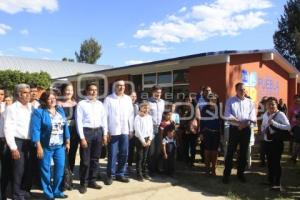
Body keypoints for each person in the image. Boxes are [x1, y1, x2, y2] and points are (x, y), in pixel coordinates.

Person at [30, 90, 70, 200]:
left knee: (60, 169)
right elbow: (36, 130)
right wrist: (38, 146)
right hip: (46, 147)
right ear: (44, 100)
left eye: (54, 98)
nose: (52, 100)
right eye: (49, 98)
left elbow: (65, 126)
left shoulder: (60, 110)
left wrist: (67, 140)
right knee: (45, 170)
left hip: (59, 146)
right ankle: (48, 193)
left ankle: (56, 190)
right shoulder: (39, 112)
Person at [76, 82, 107, 193]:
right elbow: (79, 121)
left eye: (95, 90)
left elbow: (104, 120)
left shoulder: (100, 104)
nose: (93, 92)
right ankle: (83, 183)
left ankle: (92, 181)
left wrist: (104, 134)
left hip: (98, 132)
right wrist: (82, 138)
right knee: (85, 160)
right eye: (91, 90)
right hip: (87, 132)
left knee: (95, 159)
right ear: (87, 91)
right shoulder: (82, 104)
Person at [4, 84, 34, 200]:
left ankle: (25, 191)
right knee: (18, 170)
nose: (28, 94)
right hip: (18, 142)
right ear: (18, 94)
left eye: (29, 92)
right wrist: (13, 147)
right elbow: (8, 128)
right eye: (25, 92)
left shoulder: (32, 107)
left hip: (30, 142)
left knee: (28, 168)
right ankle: (16, 194)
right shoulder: (12, 108)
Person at [222, 82, 256, 184]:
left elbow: (252, 117)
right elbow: (227, 115)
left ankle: (240, 174)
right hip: (234, 129)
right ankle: (226, 175)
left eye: (244, 89)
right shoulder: (230, 101)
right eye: (240, 89)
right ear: (236, 90)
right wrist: (239, 123)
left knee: (243, 152)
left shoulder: (250, 102)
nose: (243, 91)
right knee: (230, 152)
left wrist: (244, 124)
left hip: (246, 130)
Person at [104, 80, 134, 185]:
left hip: (125, 130)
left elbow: (131, 115)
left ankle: (120, 173)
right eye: (119, 86)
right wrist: (106, 131)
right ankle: (110, 175)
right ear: (115, 87)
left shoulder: (128, 99)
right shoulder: (108, 99)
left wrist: (131, 129)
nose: (121, 87)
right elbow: (105, 116)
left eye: (123, 86)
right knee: (112, 154)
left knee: (124, 153)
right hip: (113, 131)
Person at [261, 97, 290, 191]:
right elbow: (263, 125)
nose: (271, 106)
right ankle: (270, 181)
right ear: (265, 106)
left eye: (273, 104)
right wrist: (263, 130)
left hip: (276, 142)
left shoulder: (280, 114)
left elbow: (288, 127)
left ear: (276, 105)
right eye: (269, 104)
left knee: (276, 163)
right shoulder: (265, 114)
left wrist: (274, 123)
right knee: (269, 162)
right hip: (267, 141)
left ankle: (277, 184)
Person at [57, 83, 78, 190]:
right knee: (63, 158)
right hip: (62, 132)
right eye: (67, 90)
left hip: (74, 132)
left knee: (72, 156)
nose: (69, 92)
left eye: (71, 90)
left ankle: (69, 180)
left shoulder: (76, 103)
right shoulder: (58, 104)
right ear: (63, 91)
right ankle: (63, 182)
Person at [201, 93, 221, 176]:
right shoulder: (204, 109)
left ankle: (213, 169)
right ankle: (207, 169)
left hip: (216, 133)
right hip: (207, 133)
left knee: (214, 152)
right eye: (211, 99)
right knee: (207, 152)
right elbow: (202, 122)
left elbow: (222, 122)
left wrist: (222, 133)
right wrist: (201, 133)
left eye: (215, 99)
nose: (213, 101)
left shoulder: (219, 109)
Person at [134, 101, 153, 181]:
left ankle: (144, 172)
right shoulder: (138, 117)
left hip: (147, 139)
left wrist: (149, 139)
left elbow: (151, 129)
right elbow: (137, 131)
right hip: (140, 139)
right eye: (144, 107)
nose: (146, 109)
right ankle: (139, 174)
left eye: (147, 108)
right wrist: (143, 141)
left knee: (145, 157)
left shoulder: (149, 117)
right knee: (140, 157)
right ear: (141, 108)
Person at [148, 85, 165, 175]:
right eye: (157, 92)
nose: (158, 94)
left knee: (158, 149)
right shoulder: (148, 102)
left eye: (160, 92)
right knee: (152, 150)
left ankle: (157, 168)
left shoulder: (162, 102)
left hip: (160, 127)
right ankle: (151, 170)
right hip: (151, 127)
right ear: (152, 92)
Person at [180, 95, 200, 167]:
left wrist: (198, 130)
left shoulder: (195, 109)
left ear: (192, 101)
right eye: (186, 100)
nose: (188, 101)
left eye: (189, 100)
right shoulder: (181, 109)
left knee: (193, 147)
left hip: (193, 131)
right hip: (184, 130)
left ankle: (192, 161)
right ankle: (186, 160)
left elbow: (199, 119)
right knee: (185, 147)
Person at [0, 90, 11, 200]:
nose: (1, 96)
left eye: (2, 94)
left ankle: (4, 193)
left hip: (4, 140)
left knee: (5, 168)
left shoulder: (8, 106)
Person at [127, 91, 139, 172]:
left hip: (136, 131)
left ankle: (131, 165)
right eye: (132, 96)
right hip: (128, 131)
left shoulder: (137, 106)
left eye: (135, 96)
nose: (133, 97)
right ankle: (127, 165)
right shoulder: (126, 106)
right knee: (128, 149)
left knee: (135, 149)